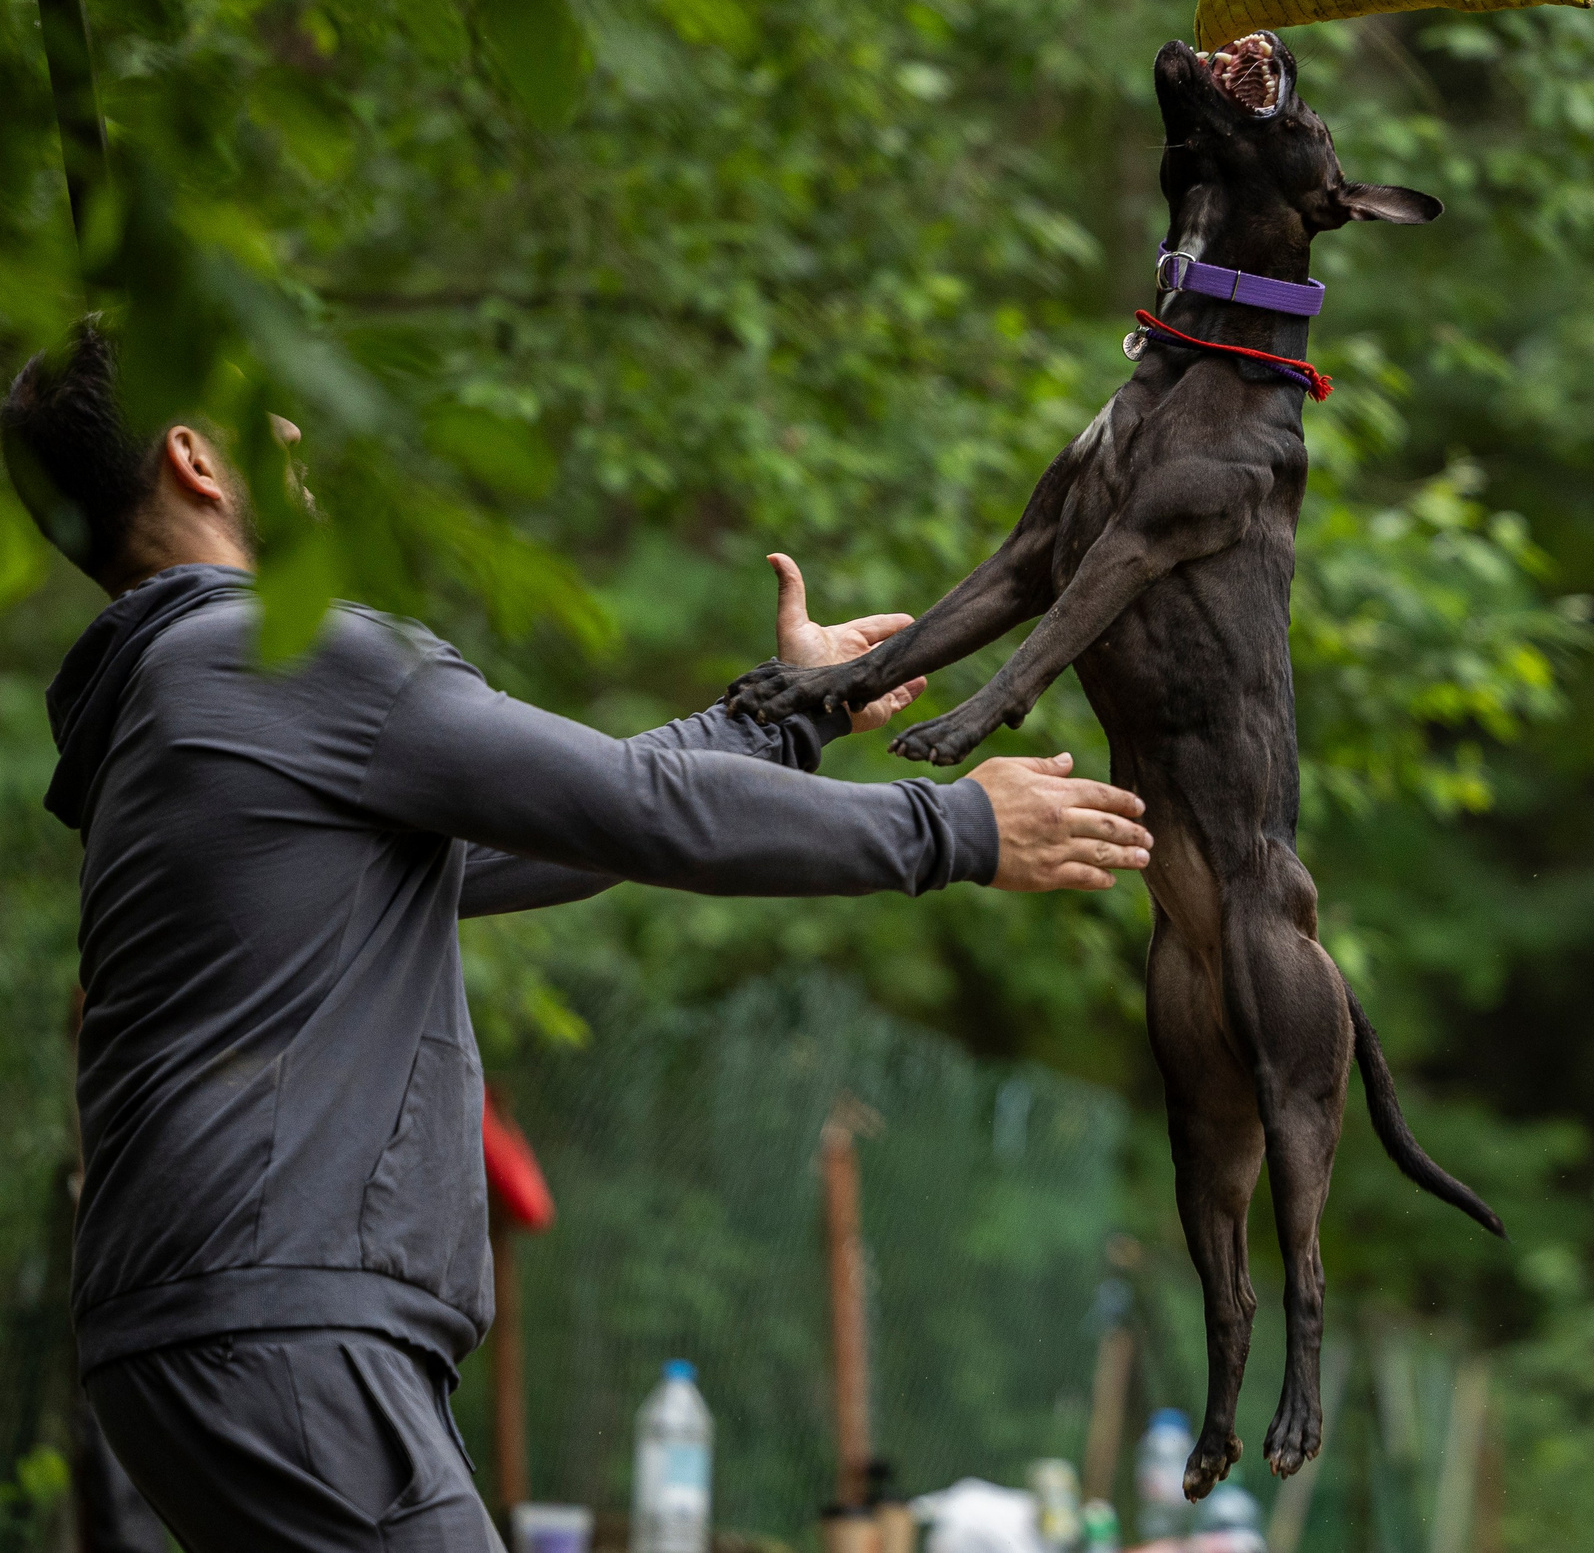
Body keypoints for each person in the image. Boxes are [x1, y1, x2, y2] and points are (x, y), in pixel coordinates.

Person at [3, 318, 1154, 1552]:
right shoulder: (278, 655)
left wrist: (785, 717)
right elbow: (638, 809)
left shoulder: (179, 699)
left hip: (202, 1327)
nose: (294, 436)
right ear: (194, 458)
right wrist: (954, 827)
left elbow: (572, 827)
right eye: (256, 415)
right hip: (286, 1322)